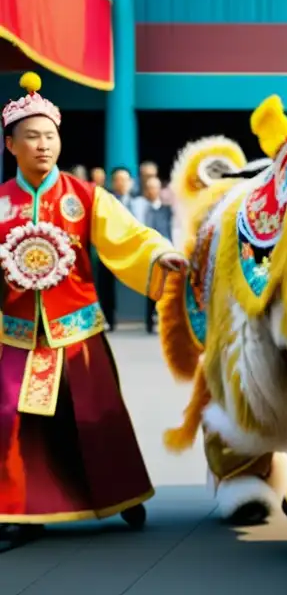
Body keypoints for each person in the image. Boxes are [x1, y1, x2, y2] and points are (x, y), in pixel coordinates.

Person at [0, 74, 187, 553]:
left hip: (76, 329)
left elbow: (128, 236)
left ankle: (122, 494)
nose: (43, 146)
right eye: (32, 138)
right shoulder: (2, 202)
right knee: (14, 419)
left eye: (50, 136)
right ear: (11, 144)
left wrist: (159, 254)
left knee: (96, 414)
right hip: (18, 334)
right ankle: (21, 510)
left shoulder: (85, 196)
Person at [135, 175, 174, 334]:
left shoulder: (168, 210)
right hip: (148, 254)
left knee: (167, 288)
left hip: (167, 252)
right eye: (149, 188)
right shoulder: (141, 209)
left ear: (159, 189)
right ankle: (149, 321)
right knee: (151, 287)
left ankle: (165, 320)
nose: (152, 191)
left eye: (155, 187)